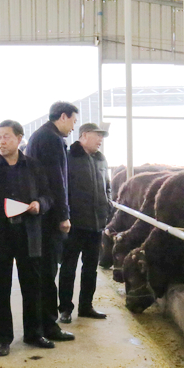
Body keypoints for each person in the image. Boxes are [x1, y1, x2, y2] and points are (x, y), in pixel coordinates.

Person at [0, 120, 54, 356]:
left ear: (20, 139)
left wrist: (40, 204)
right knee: (0, 287)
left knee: (32, 286)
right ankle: (2, 338)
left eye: (6, 136)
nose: (1, 141)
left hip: (28, 233)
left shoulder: (34, 166)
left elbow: (49, 195)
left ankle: (33, 332)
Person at [25, 101, 79, 344]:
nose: (73, 127)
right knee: (47, 273)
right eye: (73, 121)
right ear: (63, 116)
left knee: (43, 273)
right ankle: (48, 325)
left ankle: (42, 325)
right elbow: (58, 181)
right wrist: (64, 215)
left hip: (42, 213)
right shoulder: (52, 139)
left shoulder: (39, 136)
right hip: (49, 216)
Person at [58, 123, 111, 323]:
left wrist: (107, 207)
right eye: (98, 136)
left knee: (91, 268)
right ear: (84, 135)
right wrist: (65, 216)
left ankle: (86, 306)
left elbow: (107, 186)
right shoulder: (69, 157)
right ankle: (65, 309)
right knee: (69, 267)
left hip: (97, 223)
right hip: (74, 224)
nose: (100, 140)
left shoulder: (100, 159)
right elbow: (62, 188)